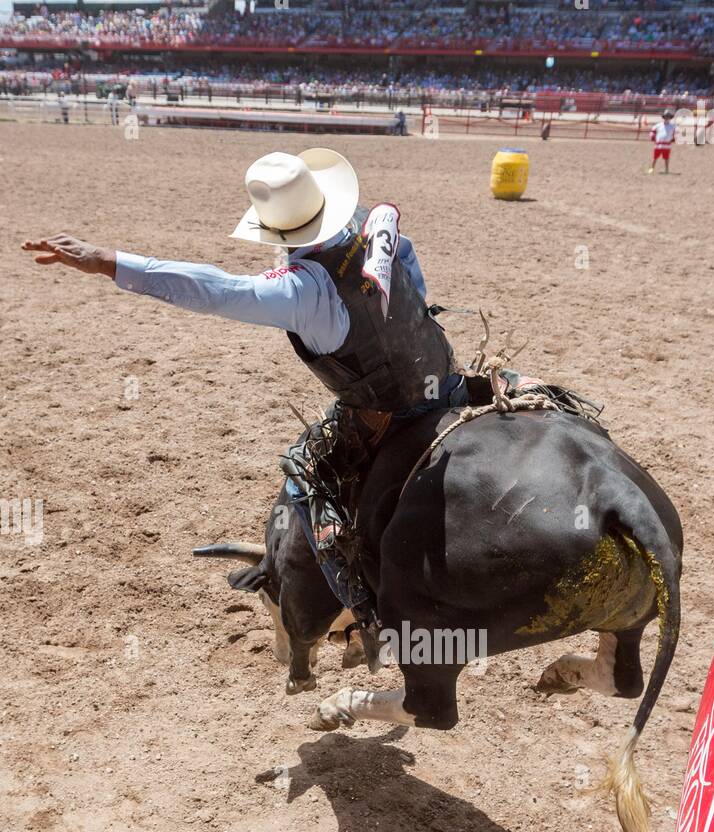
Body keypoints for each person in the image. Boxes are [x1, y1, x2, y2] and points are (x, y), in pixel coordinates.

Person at [21, 149, 461, 655]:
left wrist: (108, 262)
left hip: (386, 410)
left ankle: (363, 611)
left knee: (308, 490)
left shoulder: (302, 291)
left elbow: (212, 288)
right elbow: (406, 265)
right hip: (442, 376)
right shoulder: (367, 227)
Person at [648, 108, 676, 174]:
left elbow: (675, 134)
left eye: (668, 116)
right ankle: (652, 168)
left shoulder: (673, 126)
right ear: (664, 117)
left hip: (667, 145)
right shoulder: (658, 125)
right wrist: (652, 137)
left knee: (666, 158)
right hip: (658, 145)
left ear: (670, 118)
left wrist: (674, 138)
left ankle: (666, 169)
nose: (667, 118)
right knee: (655, 158)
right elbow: (652, 132)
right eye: (666, 116)